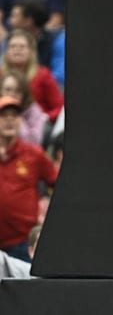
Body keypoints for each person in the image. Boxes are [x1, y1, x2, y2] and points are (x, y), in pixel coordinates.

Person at [0, 95, 57, 263]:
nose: (10, 120)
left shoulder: (34, 154)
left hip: (22, 244)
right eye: (4, 116)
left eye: (14, 116)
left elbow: (59, 184)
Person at [2, 29, 63, 122]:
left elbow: (60, 108)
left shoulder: (43, 75)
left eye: (22, 47)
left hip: (40, 127)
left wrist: (45, 118)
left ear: (31, 51)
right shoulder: (1, 74)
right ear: (6, 52)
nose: (17, 50)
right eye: (12, 46)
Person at [0, 69, 47, 146]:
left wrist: (18, 118)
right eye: (8, 90)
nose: (12, 94)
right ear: (1, 91)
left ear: (24, 94)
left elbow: (35, 143)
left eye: (17, 91)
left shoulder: (34, 110)